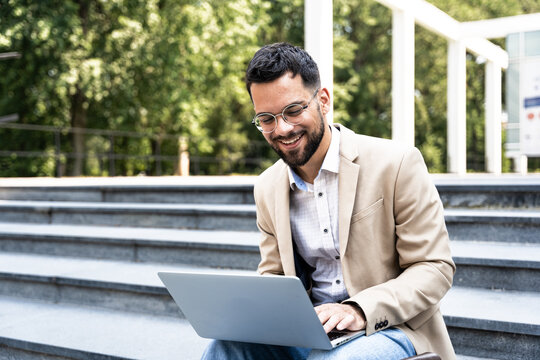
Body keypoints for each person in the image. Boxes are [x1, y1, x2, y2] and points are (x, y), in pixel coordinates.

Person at [202, 42, 456, 360]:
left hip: (389, 327)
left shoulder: (397, 162)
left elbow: (434, 267)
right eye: (266, 119)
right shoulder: (267, 187)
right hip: (309, 329)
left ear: (323, 101)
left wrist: (359, 310)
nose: (282, 129)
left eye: (293, 111)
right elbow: (276, 277)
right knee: (224, 347)